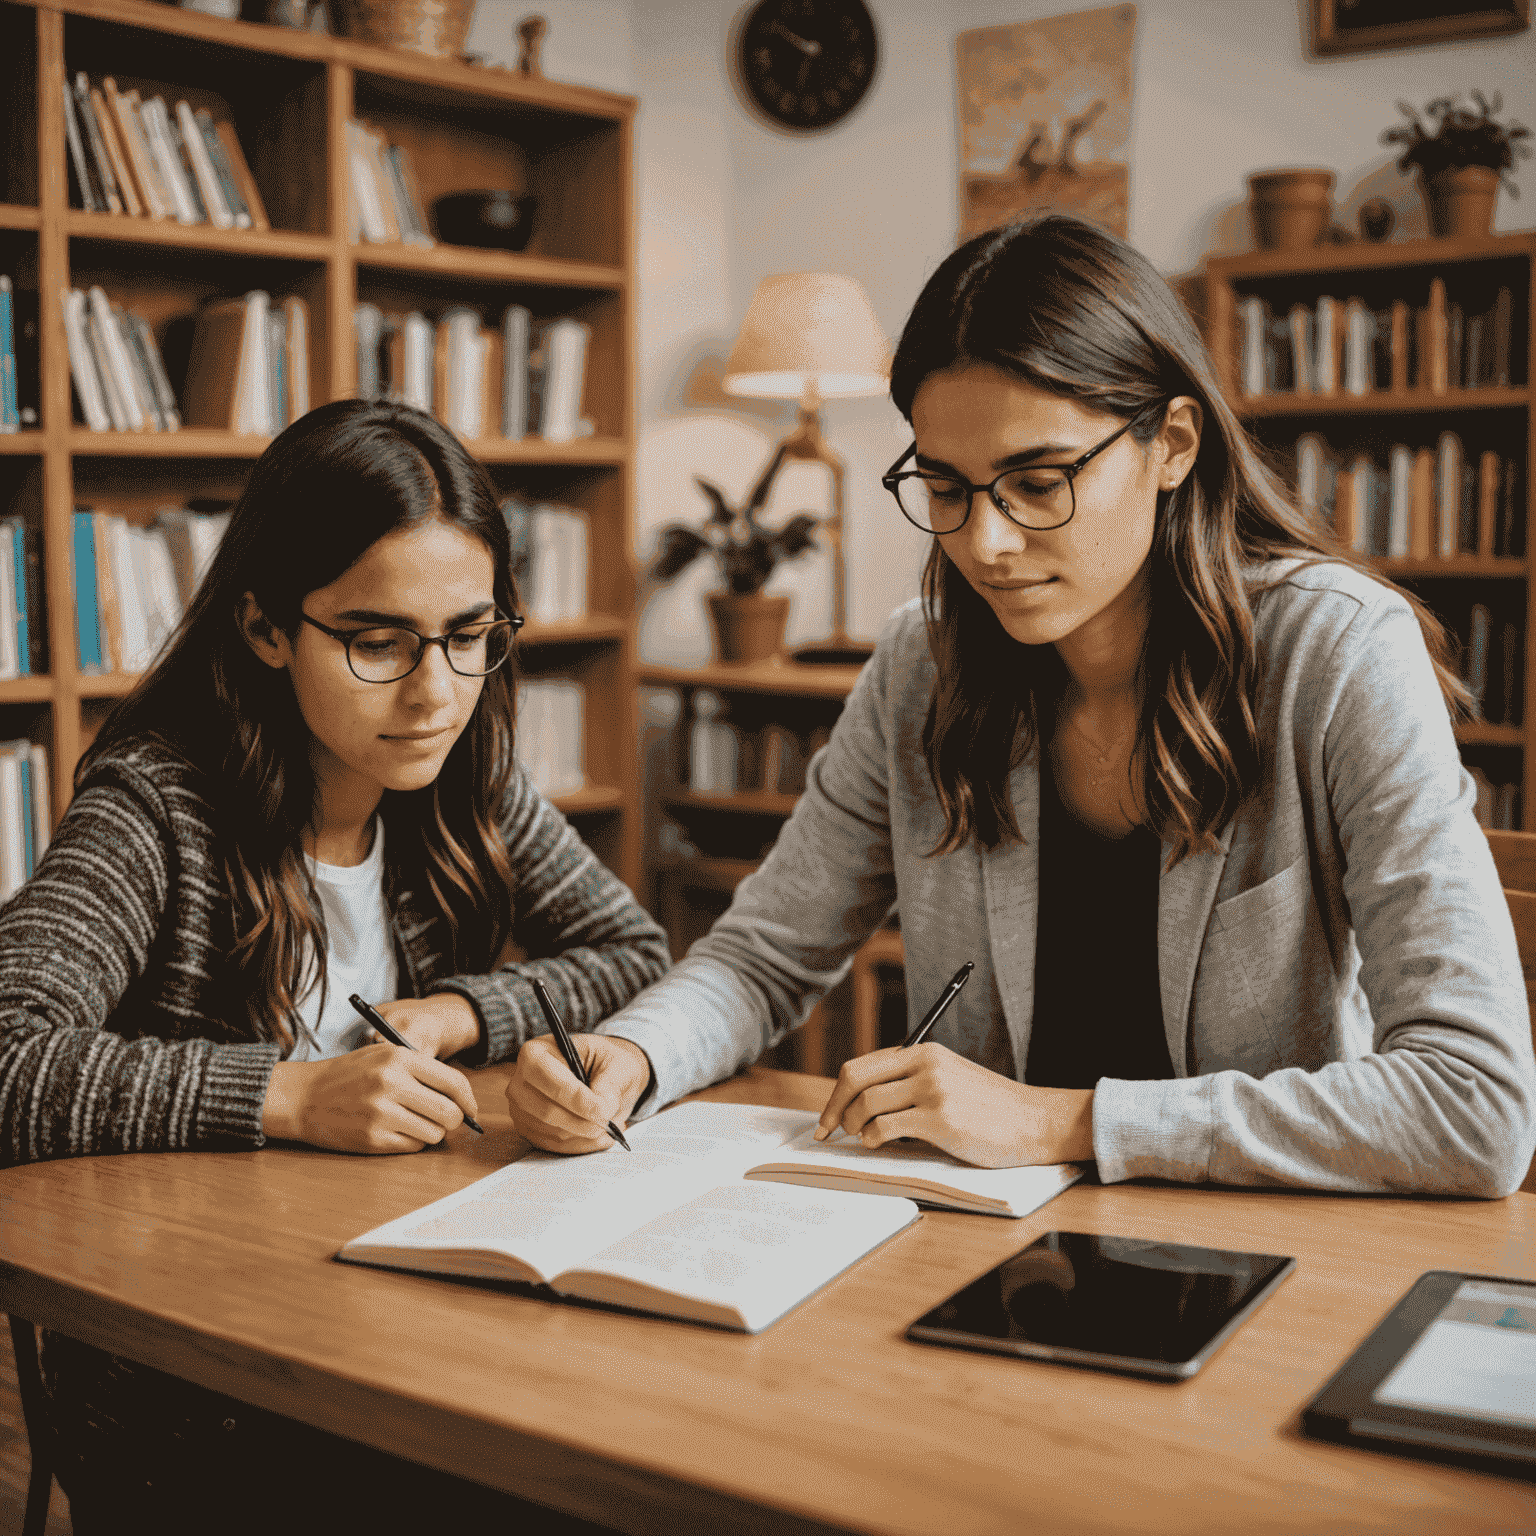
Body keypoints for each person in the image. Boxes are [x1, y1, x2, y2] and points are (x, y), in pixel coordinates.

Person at [508, 214, 1535, 1198]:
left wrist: (1064, 1122)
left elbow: (1476, 1105)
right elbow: (763, 955)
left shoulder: (1340, 655)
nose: (985, 543)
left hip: (1253, 1256)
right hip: (984, 1249)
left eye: (1037, 481)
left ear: (1172, 444)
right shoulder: (926, 663)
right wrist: (635, 1053)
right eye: (945, 485)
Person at [0, 399, 669, 1533]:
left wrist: (464, 1011)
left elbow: (631, 949)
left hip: (421, 1326)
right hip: (202, 1385)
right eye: (378, 641)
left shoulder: (459, 769)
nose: (437, 690)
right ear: (266, 627)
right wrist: (290, 1090)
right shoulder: (158, 805)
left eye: (470, 632)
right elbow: (11, 1054)